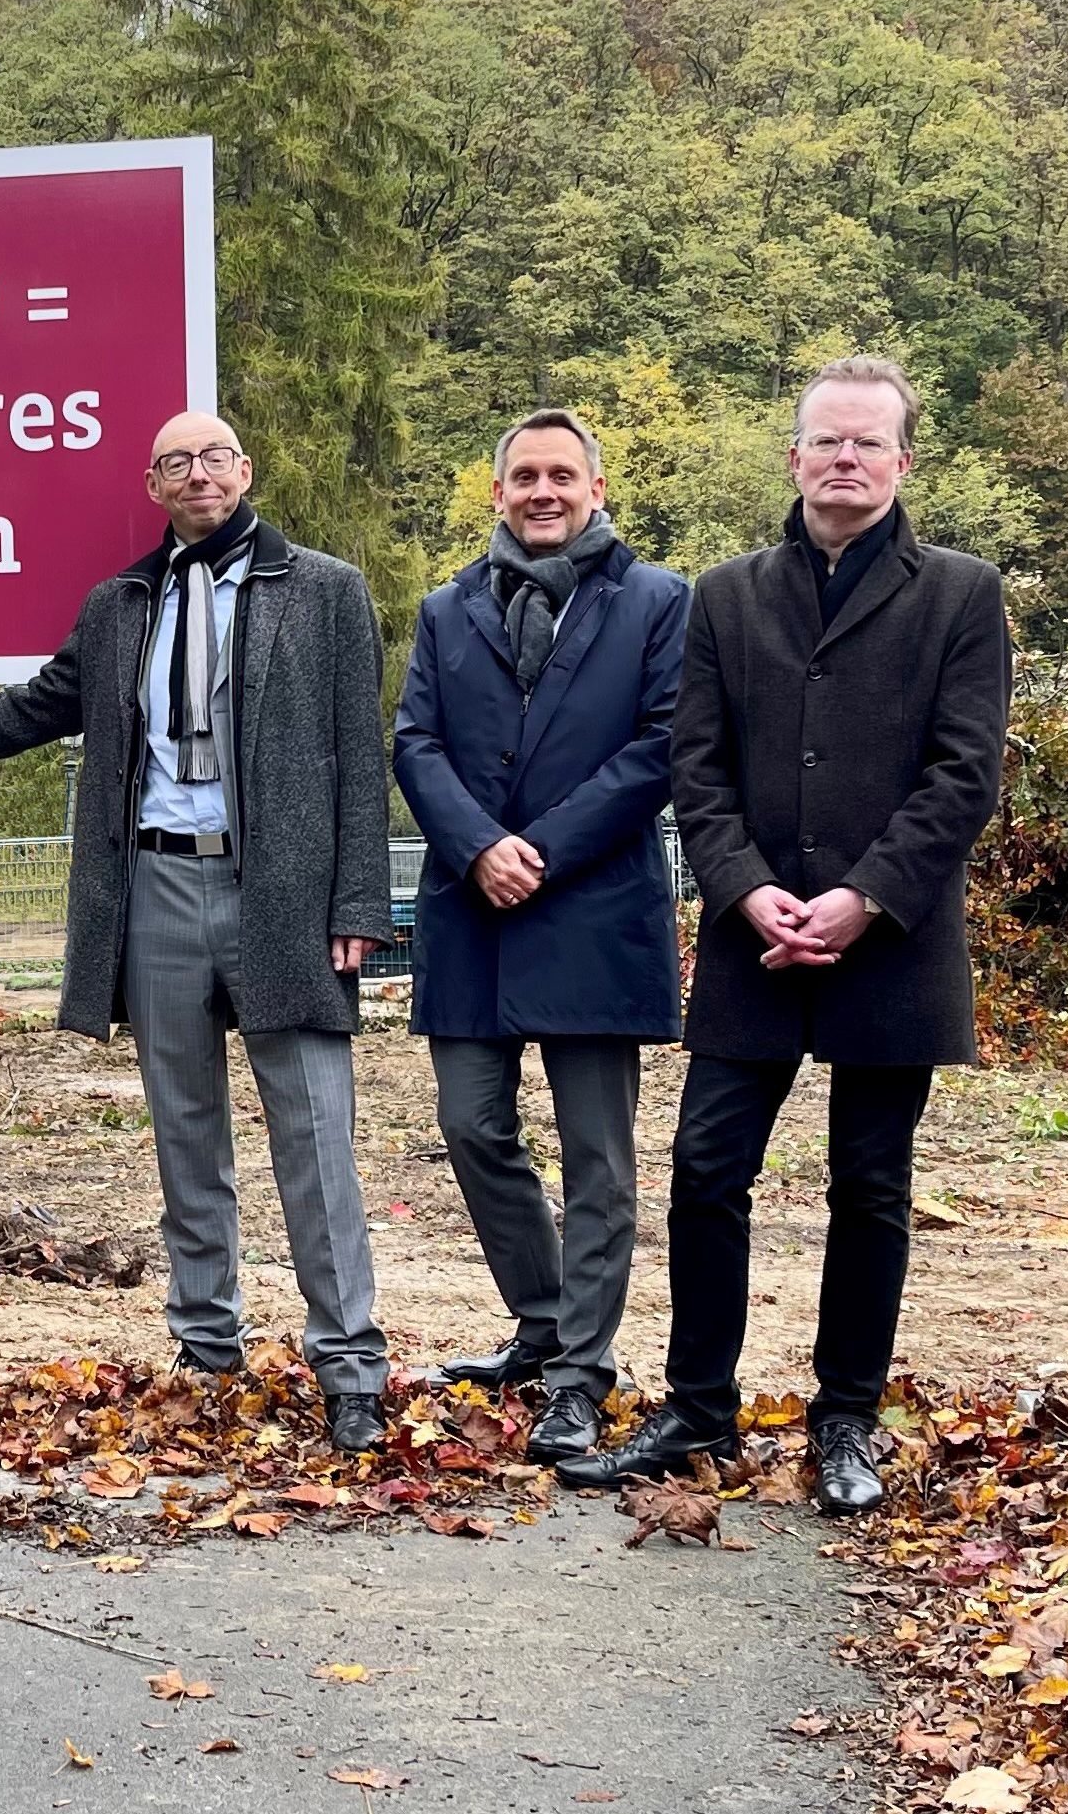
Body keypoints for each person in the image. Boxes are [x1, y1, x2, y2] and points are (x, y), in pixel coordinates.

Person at [0, 411, 400, 1450]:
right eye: (177, 463)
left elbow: (356, 757)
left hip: (282, 895)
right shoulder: (120, 607)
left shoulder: (325, 592)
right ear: (154, 486)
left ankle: (350, 1366)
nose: (200, 475)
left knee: (316, 1140)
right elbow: (39, 706)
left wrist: (360, 906)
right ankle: (205, 1352)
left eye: (216, 457)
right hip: (157, 890)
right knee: (187, 1138)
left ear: (247, 468)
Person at [564, 357, 1010, 1515]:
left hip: (893, 943)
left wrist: (863, 899)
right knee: (707, 1171)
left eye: (868, 443)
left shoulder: (961, 594)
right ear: (796, 456)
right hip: (751, 936)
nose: (846, 459)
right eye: (828, 441)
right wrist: (746, 888)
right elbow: (693, 769)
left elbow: (965, 778)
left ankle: (846, 1421)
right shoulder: (727, 595)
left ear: (903, 461)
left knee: (870, 1184)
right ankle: (698, 1409)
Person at [392, 407, 688, 1466]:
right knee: (472, 1126)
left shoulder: (658, 601)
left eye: (563, 474)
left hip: (594, 912)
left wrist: (541, 850)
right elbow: (416, 740)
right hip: (472, 911)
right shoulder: (447, 608)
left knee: (598, 1158)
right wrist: (479, 848)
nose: (544, 491)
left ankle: (579, 1375)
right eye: (525, 475)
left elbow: (661, 746)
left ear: (595, 489)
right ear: (498, 491)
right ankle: (543, 1319)